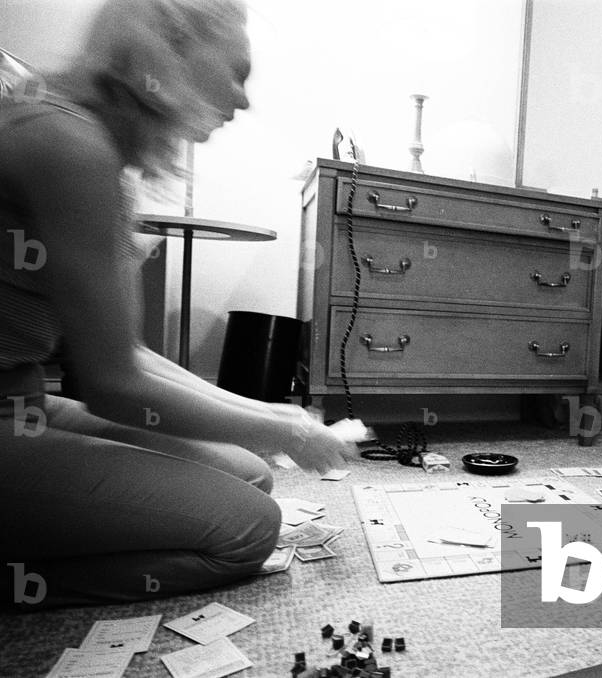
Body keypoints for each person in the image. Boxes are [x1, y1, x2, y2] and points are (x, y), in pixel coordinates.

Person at [0, 0, 359, 609]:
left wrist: (278, 420)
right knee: (249, 528)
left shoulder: (94, 143)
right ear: (170, 42)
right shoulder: (69, 143)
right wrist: (287, 430)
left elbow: (128, 356)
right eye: (237, 72)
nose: (243, 100)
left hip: (25, 401)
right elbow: (115, 385)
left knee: (251, 472)